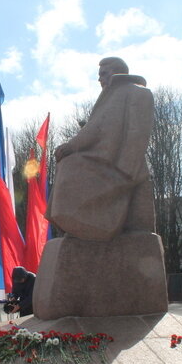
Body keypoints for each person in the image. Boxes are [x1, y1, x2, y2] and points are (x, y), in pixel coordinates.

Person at [47, 56, 155, 241]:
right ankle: (76, 222)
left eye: (104, 74)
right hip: (100, 157)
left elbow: (137, 131)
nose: (100, 79)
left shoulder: (138, 93)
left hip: (117, 162)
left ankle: (93, 222)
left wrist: (126, 168)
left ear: (118, 72)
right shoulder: (108, 97)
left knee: (71, 165)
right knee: (68, 163)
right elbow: (94, 129)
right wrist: (70, 146)